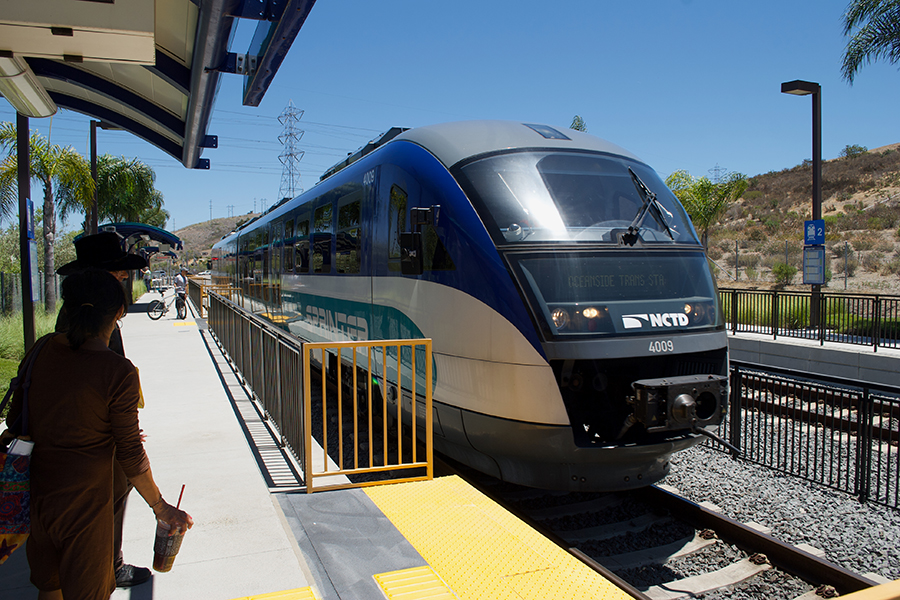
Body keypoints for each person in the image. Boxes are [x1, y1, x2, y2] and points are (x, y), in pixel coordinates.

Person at [3, 269, 193, 600]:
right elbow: (131, 453)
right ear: (119, 313)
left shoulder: (41, 348)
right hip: (85, 506)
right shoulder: (116, 371)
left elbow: (14, 419)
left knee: (50, 587)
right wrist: (161, 507)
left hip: (35, 496)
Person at [55, 232, 151, 586]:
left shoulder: (78, 313)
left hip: (85, 430)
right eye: (119, 273)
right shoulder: (93, 319)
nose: (125, 278)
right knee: (109, 499)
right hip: (96, 434)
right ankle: (108, 565)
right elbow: (96, 377)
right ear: (99, 276)